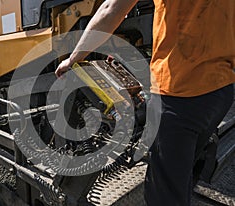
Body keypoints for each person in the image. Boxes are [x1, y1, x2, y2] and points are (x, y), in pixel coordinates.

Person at [55, 0, 235, 205]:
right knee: (180, 176)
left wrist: (73, 58)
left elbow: (110, 9)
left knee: (164, 195)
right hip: (220, 89)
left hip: (179, 93)